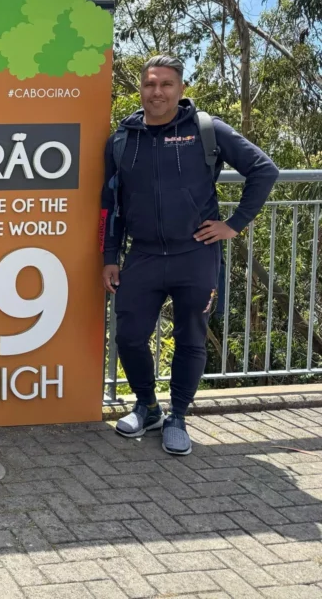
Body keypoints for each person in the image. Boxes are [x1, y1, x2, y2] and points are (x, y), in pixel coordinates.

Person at [101, 55, 278, 456]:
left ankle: (178, 415)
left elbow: (264, 170)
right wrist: (110, 255)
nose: (157, 92)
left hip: (195, 255)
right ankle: (147, 407)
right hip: (143, 255)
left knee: (191, 338)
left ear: (181, 90)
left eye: (166, 84)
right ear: (141, 89)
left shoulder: (205, 130)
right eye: (150, 84)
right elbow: (108, 203)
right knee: (128, 336)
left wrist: (233, 224)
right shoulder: (122, 138)